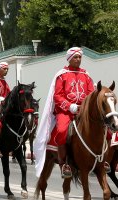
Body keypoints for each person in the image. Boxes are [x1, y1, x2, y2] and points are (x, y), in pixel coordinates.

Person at [34, 47, 109, 179]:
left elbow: (91, 94)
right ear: (69, 59)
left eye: (80, 57)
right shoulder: (62, 74)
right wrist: (71, 107)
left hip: (83, 112)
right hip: (65, 111)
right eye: (75, 57)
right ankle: (64, 164)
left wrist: (86, 107)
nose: (78, 59)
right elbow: (57, 96)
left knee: (106, 130)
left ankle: (104, 160)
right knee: (62, 131)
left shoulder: (86, 75)